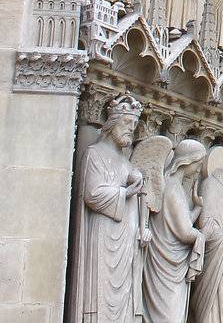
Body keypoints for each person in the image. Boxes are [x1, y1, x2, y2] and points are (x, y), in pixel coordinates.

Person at [71, 95, 145, 322]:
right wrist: (126, 193)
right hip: (103, 236)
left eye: (133, 125)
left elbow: (141, 198)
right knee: (101, 293)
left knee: (123, 300)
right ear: (112, 123)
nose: (130, 130)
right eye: (126, 124)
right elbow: (92, 194)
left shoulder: (126, 161)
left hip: (126, 239)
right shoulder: (94, 153)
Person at [143, 138, 208, 323]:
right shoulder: (172, 188)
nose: (198, 169)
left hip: (171, 262)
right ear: (187, 161)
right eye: (198, 163)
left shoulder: (174, 187)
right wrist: (203, 235)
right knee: (168, 316)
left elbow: (179, 223)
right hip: (166, 264)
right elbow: (185, 232)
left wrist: (197, 208)